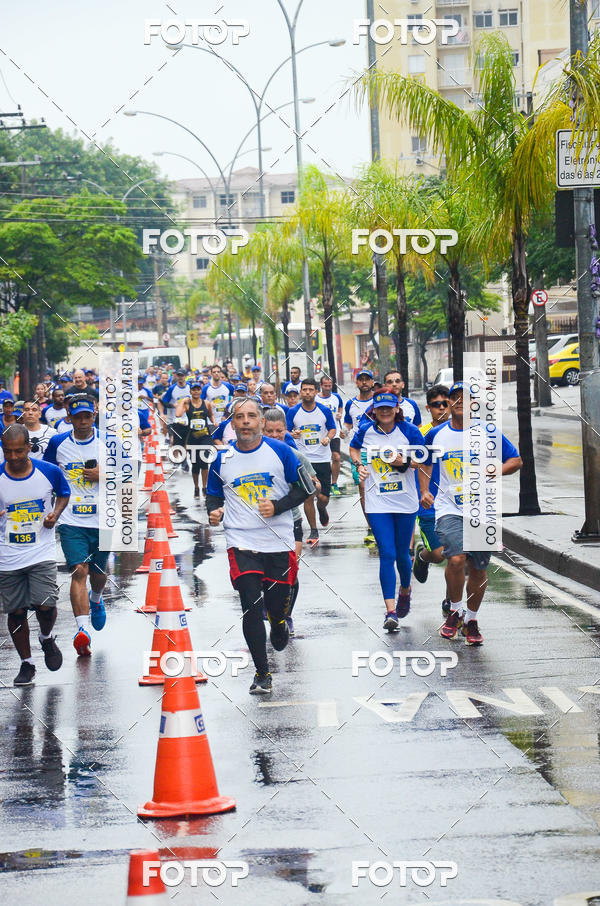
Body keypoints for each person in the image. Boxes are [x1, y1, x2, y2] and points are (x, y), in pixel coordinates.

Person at [206, 397, 311, 693]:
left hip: (278, 541)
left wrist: (277, 507)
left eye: (252, 416)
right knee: (251, 605)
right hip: (240, 541)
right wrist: (213, 511)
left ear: (262, 422)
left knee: (276, 606)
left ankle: (278, 623)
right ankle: (262, 673)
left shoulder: (281, 452)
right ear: (232, 423)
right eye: (240, 417)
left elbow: (305, 488)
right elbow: (213, 494)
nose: (246, 422)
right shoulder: (222, 458)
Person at [419, 382, 522, 645]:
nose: (460, 402)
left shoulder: (488, 433)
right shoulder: (437, 434)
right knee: (455, 559)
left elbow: (515, 460)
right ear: (450, 403)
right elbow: (424, 462)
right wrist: (425, 491)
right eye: (455, 398)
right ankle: (454, 610)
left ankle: (472, 619)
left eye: (466, 398)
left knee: (478, 568)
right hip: (449, 507)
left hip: (483, 510)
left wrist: (496, 470)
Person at [0, 424, 70, 685]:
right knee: (16, 612)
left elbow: (63, 494)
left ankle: (46, 637)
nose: (14, 457)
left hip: (41, 551)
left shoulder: (49, 471)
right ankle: (26, 663)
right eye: (8, 452)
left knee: (46, 604)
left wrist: (55, 514)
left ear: (29, 448)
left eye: (19, 451)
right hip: (7, 554)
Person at [44, 395, 112, 656]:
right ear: (69, 418)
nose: (83, 422)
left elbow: (130, 472)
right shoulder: (58, 443)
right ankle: (82, 631)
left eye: (87, 416)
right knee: (79, 571)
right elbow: (45, 474)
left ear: (94, 415)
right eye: (78, 417)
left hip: (104, 517)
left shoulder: (109, 441)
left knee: (98, 573)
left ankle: (96, 599)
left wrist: (102, 474)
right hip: (71, 519)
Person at [350, 392, 423, 631]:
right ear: (374, 410)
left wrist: (403, 462)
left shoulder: (409, 431)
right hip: (377, 501)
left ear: (396, 409)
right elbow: (353, 449)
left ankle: (405, 589)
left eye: (388, 408)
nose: (384, 412)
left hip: (405, 501)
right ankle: (390, 611)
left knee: (403, 554)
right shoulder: (365, 430)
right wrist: (360, 465)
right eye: (380, 408)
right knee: (387, 554)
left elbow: (423, 460)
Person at [263, 407, 321, 637]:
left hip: (291, 521)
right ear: (262, 430)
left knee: (290, 571)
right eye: (270, 431)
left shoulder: (296, 456)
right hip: (261, 524)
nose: (276, 435)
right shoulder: (253, 456)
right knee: (264, 573)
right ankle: (268, 609)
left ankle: (286, 615)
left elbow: (315, 485)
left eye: (279, 431)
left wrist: (308, 484)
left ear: (286, 430)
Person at [413, 385, 451, 611]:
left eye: (446, 404)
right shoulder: (421, 433)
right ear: (428, 408)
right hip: (428, 504)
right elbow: (412, 463)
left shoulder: (459, 431)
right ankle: (422, 557)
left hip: (454, 504)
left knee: (456, 557)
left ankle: (450, 602)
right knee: (439, 555)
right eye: (437, 405)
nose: (442, 409)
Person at [286, 378, 336, 546]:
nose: (307, 392)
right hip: (304, 460)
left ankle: (322, 509)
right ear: (301, 392)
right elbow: (285, 430)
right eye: (304, 389)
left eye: (310, 390)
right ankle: (313, 530)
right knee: (308, 495)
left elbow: (332, 428)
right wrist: (291, 434)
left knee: (323, 498)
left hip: (322, 459)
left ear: (316, 392)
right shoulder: (293, 412)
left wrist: (327, 439)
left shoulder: (324, 411)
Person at [343, 370, 375, 545]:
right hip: (358, 450)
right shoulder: (351, 403)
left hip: (376, 449)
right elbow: (348, 423)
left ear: (372, 382)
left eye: (367, 380)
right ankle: (370, 526)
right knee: (363, 488)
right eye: (360, 380)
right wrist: (344, 431)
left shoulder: (378, 401)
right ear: (356, 383)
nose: (364, 383)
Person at [175, 381, 215, 497]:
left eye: (198, 389)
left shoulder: (206, 403)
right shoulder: (187, 404)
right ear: (190, 391)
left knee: (204, 461)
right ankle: (196, 487)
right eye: (194, 389)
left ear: (201, 391)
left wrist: (214, 422)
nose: (196, 391)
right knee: (195, 464)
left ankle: (204, 487)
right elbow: (178, 414)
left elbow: (210, 414)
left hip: (205, 436)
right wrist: (182, 401)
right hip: (192, 437)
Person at [316, 375, 343, 496]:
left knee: (336, 457)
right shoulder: (316, 398)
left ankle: (334, 483)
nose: (328, 388)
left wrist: (339, 414)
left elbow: (340, 406)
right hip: (320, 433)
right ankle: (321, 484)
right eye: (325, 386)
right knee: (322, 459)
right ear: (321, 385)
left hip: (334, 432)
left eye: (330, 386)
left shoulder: (336, 397)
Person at [160, 369, 192, 469]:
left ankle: (184, 460)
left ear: (185, 376)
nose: (180, 377)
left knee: (184, 441)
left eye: (182, 375)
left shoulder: (190, 387)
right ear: (176, 376)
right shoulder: (172, 388)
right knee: (174, 440)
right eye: (178, 375)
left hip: (187, 419)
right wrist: (172, 405)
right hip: (174, 419)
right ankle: (179, 459)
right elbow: (163, 401)